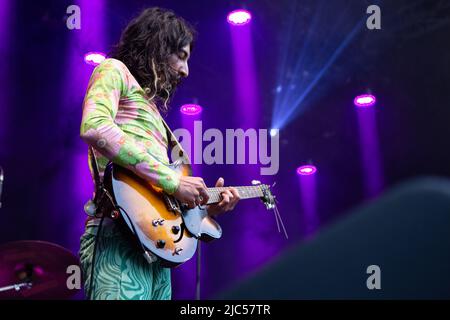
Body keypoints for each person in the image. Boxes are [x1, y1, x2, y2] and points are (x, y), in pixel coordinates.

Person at [78, 7, 240, 300]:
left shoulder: (152, 110)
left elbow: (154, 195)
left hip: (156, 248)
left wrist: (204, 210)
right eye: (182, 56)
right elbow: (95, 126)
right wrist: (174, 180)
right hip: (117, 238)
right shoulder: (113, 70)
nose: (185, 70)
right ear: (158, 43)